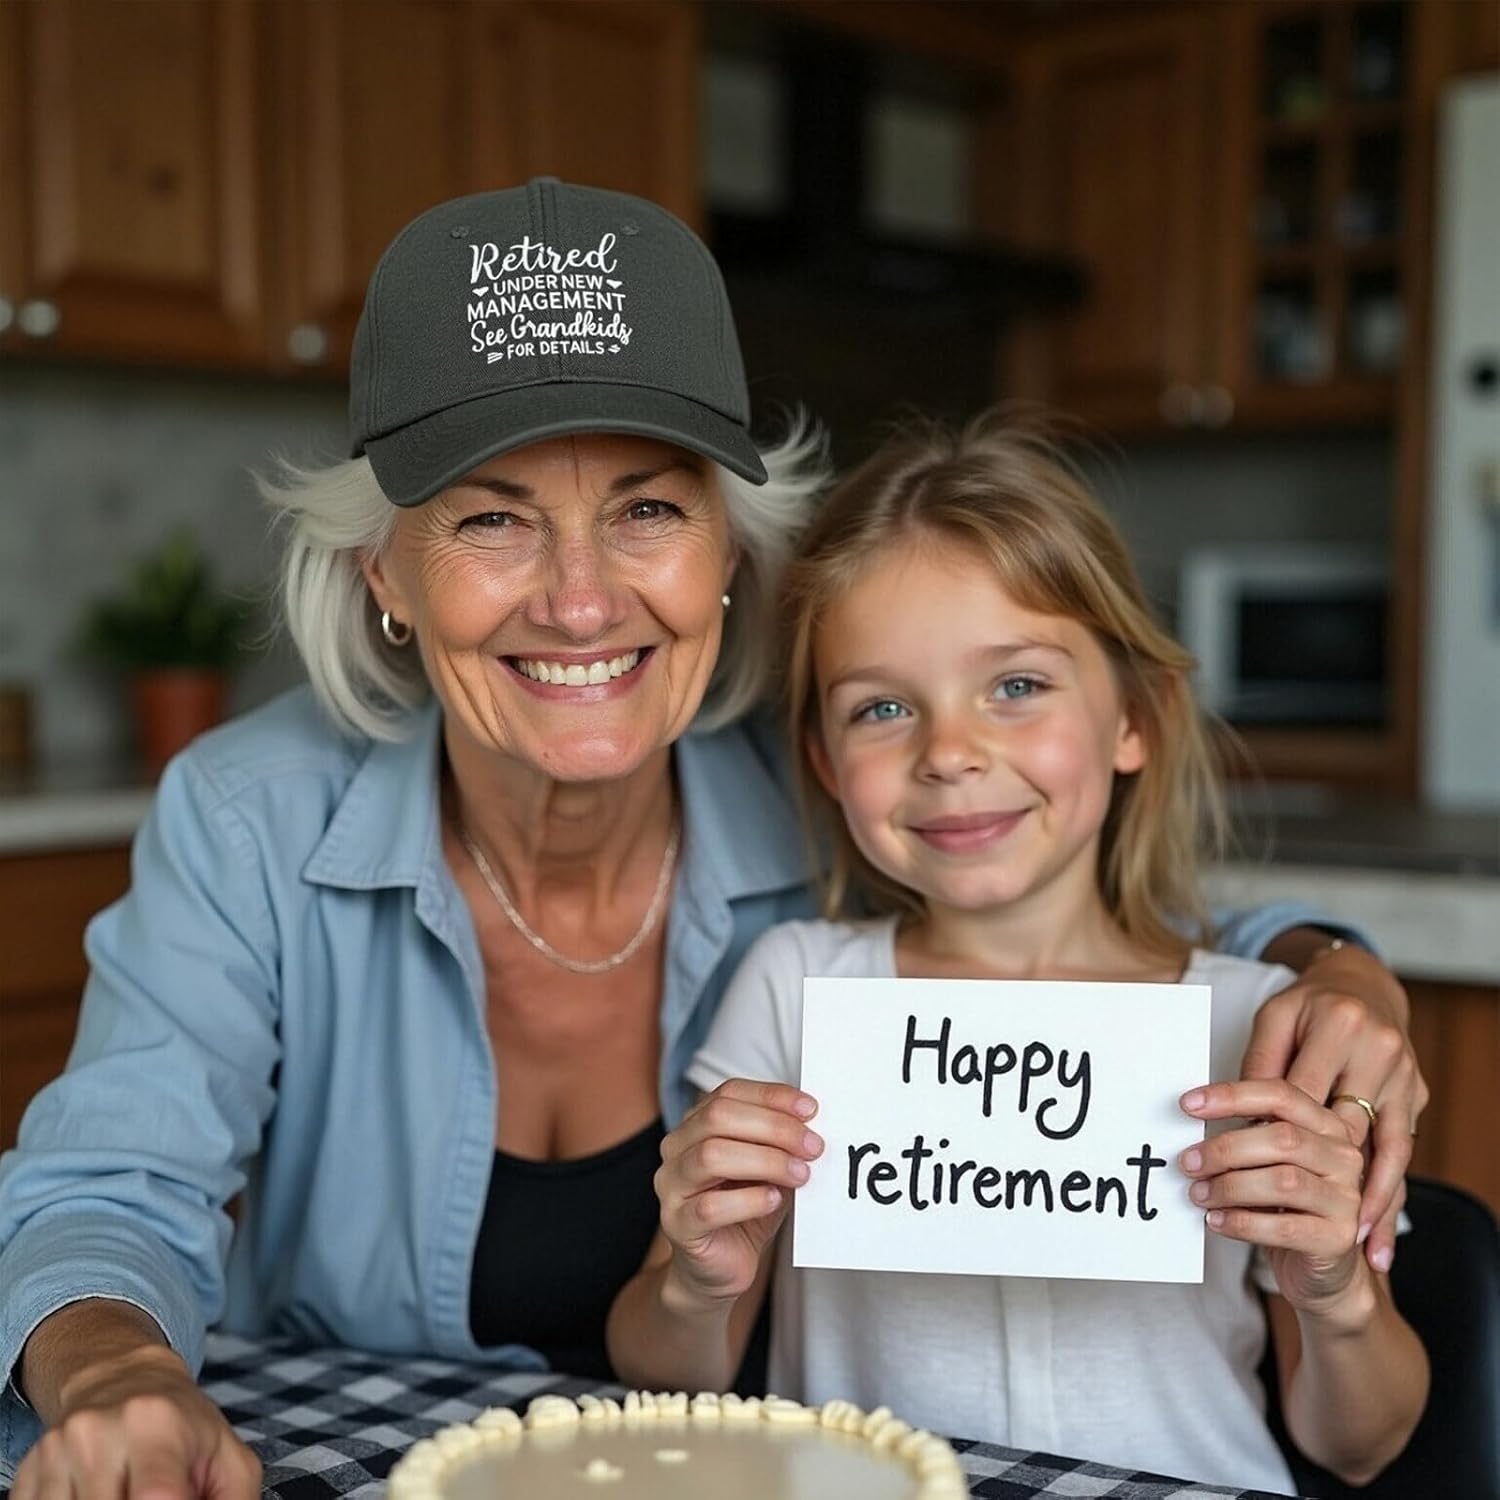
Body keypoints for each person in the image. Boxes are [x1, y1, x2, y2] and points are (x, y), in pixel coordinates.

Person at [0, 182, 1421, 1499]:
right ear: (387, 572)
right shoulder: (252, 816)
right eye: (494, 519)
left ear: (728, 555)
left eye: (647, 510)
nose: (577, 601)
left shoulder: (833, 796)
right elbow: (107, 1181)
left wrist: (1328, 967)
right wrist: (120, 1372)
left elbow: (1093, 921)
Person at [609, 415, 1429, 1491]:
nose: (950, 753)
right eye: (884, 708)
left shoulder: (1268, 1024)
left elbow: (1359, 1444)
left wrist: (1334, 1294)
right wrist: (697, 1285)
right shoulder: (795, 991)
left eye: (1017, 686)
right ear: (824, 758)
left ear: (1135, 719)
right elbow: (671, 1376)